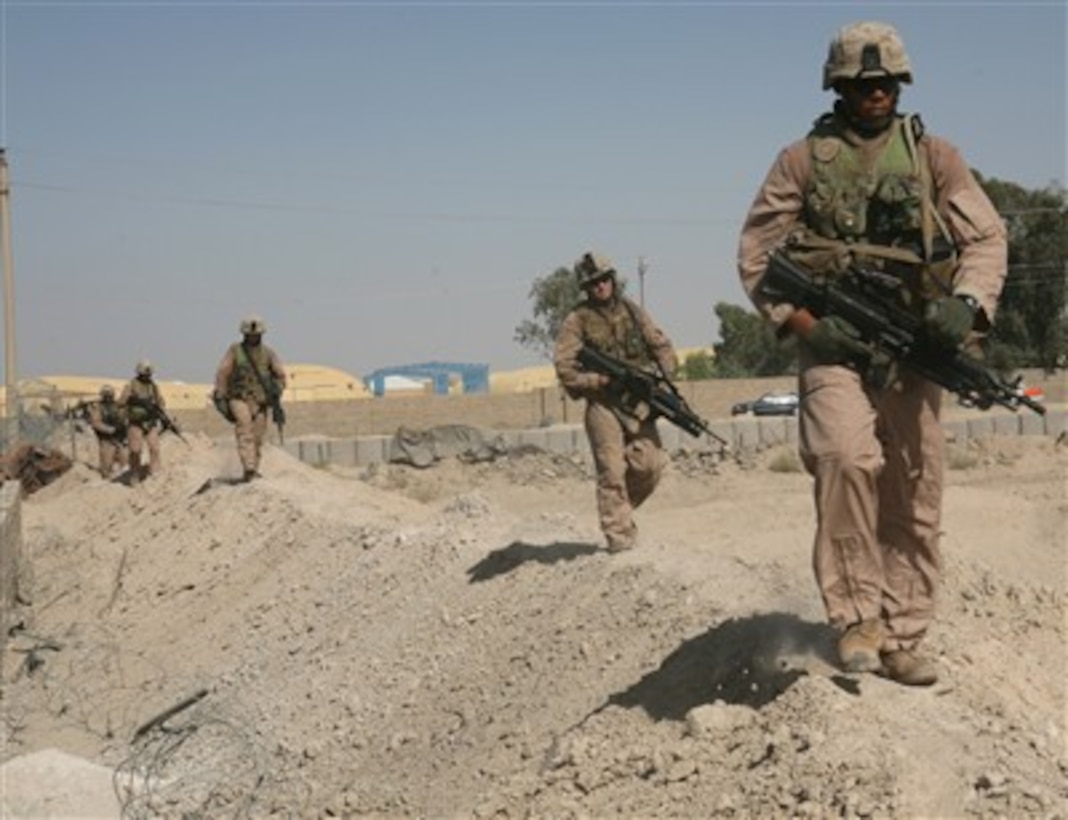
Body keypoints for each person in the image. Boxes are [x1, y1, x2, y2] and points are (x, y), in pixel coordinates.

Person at [737, 21, 1007, 685]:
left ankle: (903, 633)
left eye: (884, 82)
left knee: (914, 488)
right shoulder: (801, 161)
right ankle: (857, 620)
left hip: (912, 346)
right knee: (844, 458)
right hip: (833, 345)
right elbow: (756, 255)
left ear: (900, 84)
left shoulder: (933, 157)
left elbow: (987, 239)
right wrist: (806, 325)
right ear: (840, 87)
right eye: (862, 84)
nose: (875, 94)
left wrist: (964, 304)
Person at [554, 252, 679, 553]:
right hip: (603, 404)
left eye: (604, 280)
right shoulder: (577, 321)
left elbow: (662, 347)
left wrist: (660, 376)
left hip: (636, 403)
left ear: (612, 280)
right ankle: (619, 538)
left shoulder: (633, 312)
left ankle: (620, 508)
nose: (600, 287)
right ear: (586, 288)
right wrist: (598, 381)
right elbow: (564, 368)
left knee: (651, 465)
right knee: (611, 472)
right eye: (593, 283)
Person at [213, 314, 287, 482]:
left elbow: (280, 376)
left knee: (258, 437)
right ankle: (249, 468)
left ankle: (254, 470)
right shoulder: (235, 351)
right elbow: (223, 373)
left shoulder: (268, 354)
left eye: (257, 334)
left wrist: (277, 390)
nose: (254, 337)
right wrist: (220, 393)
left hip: (260, 401)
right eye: (250, 334)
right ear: (245, 334)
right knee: (244, 428)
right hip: (238, 397)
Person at [119, 359, 167, 484]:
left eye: (149, 374)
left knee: (155, 448)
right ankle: (134, 474)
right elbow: (121, 402)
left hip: (150, 422)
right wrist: (139, 401)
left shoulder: (153, 387)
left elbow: (161, 402)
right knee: (135, 450)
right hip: (135, 423)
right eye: (145, 373)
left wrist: (159, 410)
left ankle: (155, 473)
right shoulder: (131, 385)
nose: (147, 376)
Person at [86, 385, 128, 478]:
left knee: (125, 463)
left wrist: (124, 427)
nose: (108, 396)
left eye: (110, 394)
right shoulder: (97, 407)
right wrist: (111, 430)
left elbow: (124, 418)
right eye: (106, 394)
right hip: (107, 440)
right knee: (106, 466)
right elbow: (96, 423)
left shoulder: (117, 406)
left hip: (120, 439)